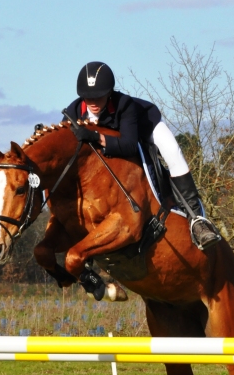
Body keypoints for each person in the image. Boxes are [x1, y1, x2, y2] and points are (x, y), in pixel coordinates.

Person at [65, 61, 221, 250]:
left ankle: (197, 219)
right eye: (88, 98)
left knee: (172, 150)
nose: (93, 103)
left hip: (146, 127)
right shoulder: (73, 113)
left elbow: (130, 145)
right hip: (117, 139)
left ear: (109, 93)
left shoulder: (125, 105)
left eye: (99, 97)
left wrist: (96, 136)